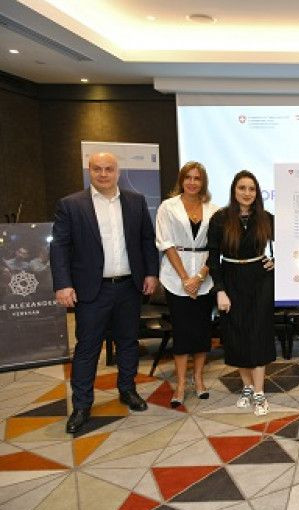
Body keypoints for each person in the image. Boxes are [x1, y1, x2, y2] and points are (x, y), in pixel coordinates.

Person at [50, 151, 159, 434]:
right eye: (97, 169)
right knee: (87, 348)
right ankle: (82, 406)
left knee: (128, 343)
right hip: (91, 290)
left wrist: (151, 273)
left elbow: (147, 239)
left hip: (129, 287)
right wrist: (62, 284)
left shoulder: (135, 201)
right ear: (90, 171)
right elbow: (59, 247)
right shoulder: (71, 205)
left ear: (117, 172)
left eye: (109, 169)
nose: (103, 174)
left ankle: (127, 390)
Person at [207, 170, 276, 416]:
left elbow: (292, 243)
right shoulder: (220, 219)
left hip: (260, 281)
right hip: (231, 280)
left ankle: (259, 392)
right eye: (242, 188)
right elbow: (213, 258)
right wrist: (220, 291)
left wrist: (276, 261)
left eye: (252, 189)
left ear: (257, 192)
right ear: (234, 190)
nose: (247, 193)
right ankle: (247, 387)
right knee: (236, 335)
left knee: (258, 335)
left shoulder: (266, 218)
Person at [155, 161, 219, 407]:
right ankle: (181, 384)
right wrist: (185, 279)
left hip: (205, 278)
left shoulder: (214, 210)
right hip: (175, 278)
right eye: (188, 177)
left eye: (197, 178)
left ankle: (198, 379)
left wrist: (200, 277)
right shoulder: (167, 207)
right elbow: (166, 243)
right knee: (182, 333)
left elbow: (216, 247)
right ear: (181, 180)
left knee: (202, 332)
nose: (192, 182)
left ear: (203, 182)